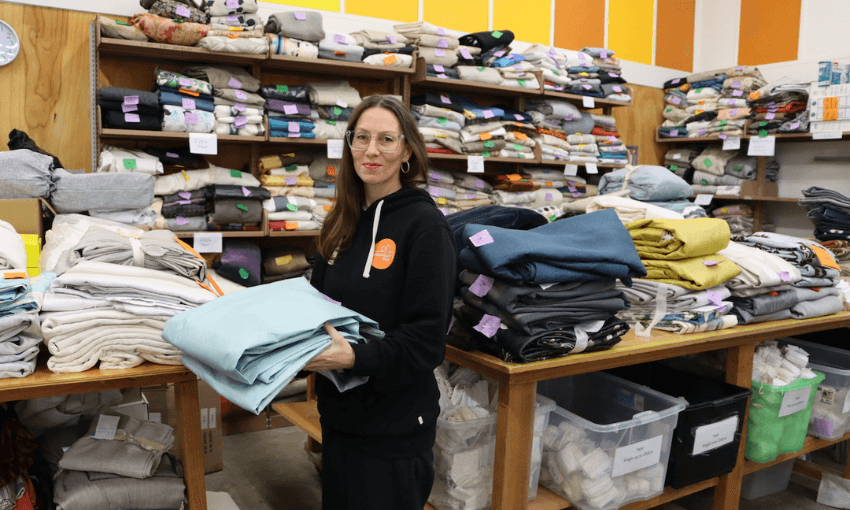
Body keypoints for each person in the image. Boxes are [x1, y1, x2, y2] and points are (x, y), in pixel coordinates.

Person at [304, 95, 457, 509]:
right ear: (349, 144)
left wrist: (353, 357)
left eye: (387, 139)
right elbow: (317, 305)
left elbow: (426, 343)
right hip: (339, 419)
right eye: (363, 138)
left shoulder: (426, 228)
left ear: (407, 150)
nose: (372, 151)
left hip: (395, 430)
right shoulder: (341, 221)